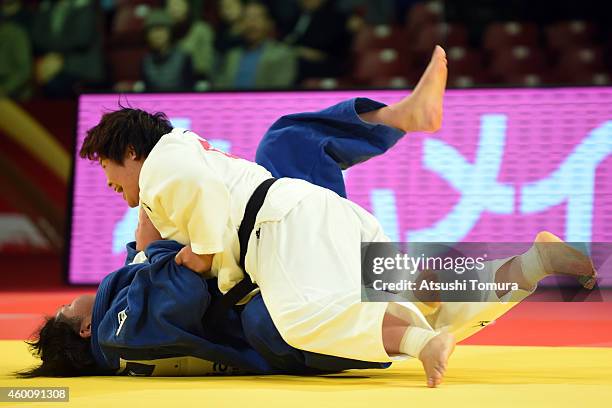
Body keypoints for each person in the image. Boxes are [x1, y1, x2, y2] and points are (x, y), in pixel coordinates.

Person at [25, 47, 596, 386]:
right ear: (81, 328)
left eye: (107, 170)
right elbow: (158, 249)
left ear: (130, 153)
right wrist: (154, 237)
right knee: (394, 275)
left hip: (278, 235)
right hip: (300, 219)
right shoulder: (177, 158)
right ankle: (529, 263)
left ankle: (421, 341)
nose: (107, 185)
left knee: (311, 313)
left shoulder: (161, 177)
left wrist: (183, 247)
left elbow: (173, 236)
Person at [214, 1, 296, 89]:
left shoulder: (283, 54)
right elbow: (219, 87)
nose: (251, 24)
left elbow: (281, 91)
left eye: (257, 18)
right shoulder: (231, 55)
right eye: (247, 18)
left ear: (268, 23)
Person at [141, 9, 195, 92]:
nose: (156, 35)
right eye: (152, 31)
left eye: (160, 29)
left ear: (170, 32)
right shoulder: (145, 61)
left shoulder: (184, 58)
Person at [166, 0, 216, 81]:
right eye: (170, 5)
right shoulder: (165, 32)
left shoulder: (201, 30)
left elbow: (206, 65)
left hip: (197, 82)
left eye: (177, 4)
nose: (173, 8)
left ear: (187, 6)